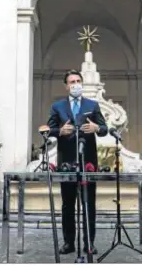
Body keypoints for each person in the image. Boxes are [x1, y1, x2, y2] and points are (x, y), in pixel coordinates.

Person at [46, 69, 108, 255]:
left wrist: (97, 127)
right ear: (66, 86)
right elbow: (48, 130)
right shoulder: (57, 107)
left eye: (78, 80)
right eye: (72, 82)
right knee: (67, 204)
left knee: (89, 203)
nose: (75, 84)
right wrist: (59, 132)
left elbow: (104, 129)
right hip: (66, 161)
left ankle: (89, 243)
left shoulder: (92, 104)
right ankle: (68, 243)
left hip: (88, 160)